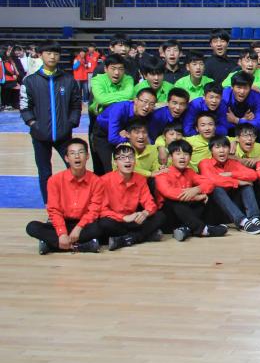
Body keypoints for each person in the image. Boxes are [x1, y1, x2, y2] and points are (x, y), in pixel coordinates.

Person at [20, 42, 83, 202]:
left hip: (64, 135)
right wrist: (33, 124)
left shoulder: (68, 80)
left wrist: (71, 123)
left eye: (55, 53)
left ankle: (75, 202)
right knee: (44, 172)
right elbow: (25, 106)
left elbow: (76, 104)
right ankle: (50, 205)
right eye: (48, 53)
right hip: (40, 136)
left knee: (75, 168)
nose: (52, 56)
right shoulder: (30, 81)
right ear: (41, 55)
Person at [25, 138, 103, 254]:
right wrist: (62, 233)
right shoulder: (54, 180)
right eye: (72, 153)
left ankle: (51, 245)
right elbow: (54, 210)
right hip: (62, 222)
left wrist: (79, 228)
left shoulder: (96, 181)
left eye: (81, 152)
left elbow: (94, 210)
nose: (77, 156)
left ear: (87, 156)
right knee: (32, 227)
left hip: (84, 224)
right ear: (66, 158)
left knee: (100, 227)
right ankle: (80, 246)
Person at [96, 143, 167, 251]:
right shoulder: (104, 181)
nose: (127, 161)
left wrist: (145, 213)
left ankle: (128, 239)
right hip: (116, 220)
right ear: (115, 162)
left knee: (160, 216)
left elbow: (149, 202)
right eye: (122, 158)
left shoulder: (140, 179)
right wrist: (123, 218)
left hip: (134, 219)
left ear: (135, 161)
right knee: (104, 223)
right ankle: (144, 235)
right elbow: (102, 210)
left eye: (130, 157)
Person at [154, 139, 228, 242]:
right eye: (178, 154)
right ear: (170, 157)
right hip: (169, 218)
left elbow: (209, 183)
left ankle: (185, 229)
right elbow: (168, 192)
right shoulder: (163, 174)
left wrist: (197, 189)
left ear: (190, 157)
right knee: (174, 202)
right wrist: (195, 196)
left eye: (186, 154)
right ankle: (202, 230)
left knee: (206, 197)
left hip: (186, 217)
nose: (182, 157)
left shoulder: (190, 172)